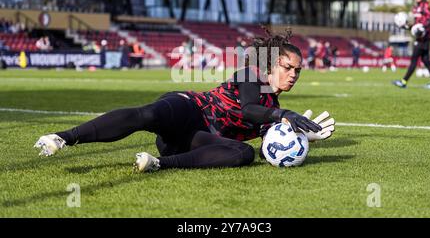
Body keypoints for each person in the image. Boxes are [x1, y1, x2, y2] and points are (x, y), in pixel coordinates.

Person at [34, 29, 335, 172]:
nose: (294, 74)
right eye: (288, 67)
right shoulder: (251, 74)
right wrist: (283, 115)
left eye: (298, 69)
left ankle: (158, 164)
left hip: (192, 141)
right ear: (271, 64)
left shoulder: (273, 110)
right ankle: (63, 137)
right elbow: (249, 109)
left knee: (243, 154)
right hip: (189, 109)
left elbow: (267, 134)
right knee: (149, 115)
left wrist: (297, 134)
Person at [392, 0, 430, 89]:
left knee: (414, 59)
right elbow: (414, 26)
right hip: (419, 38)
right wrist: (405, 26)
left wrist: (422, 28)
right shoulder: (415, 8)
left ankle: (403, 82)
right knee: (426, 60)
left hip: (424, 38)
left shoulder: (425, 6)